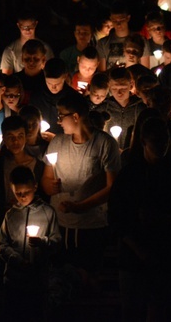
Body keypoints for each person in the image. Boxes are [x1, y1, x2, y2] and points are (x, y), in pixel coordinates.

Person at [108, 116, 171, 322]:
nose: (162, 145)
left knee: (160, 310)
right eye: (156, 140)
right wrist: (138, 249)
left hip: (166, 252)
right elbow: (116, 217)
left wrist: (166, 220)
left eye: (165, 140)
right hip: (133, 256)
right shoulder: (130, 175)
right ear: (144, 141)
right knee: (133, 311)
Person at [41, 94, 121, 293]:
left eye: (61, 116)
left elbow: (113, 187)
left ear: (75, 116)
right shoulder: (57, 143)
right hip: (60, 225)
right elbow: (46, 178)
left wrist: (80, 207)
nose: (58, 121)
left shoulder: (105, 144)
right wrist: (49, 187)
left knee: (88, 281)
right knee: (62, 279)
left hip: (92, 226)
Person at [0, 165, 61, 322]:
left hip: (39, 280)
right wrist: (17, 260)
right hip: (14, 279)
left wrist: (42, 242)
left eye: (26, 192)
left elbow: (57, 241)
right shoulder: (11, 215)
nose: (22, 196)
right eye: (18, 193)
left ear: (35, 186)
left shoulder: (48, 212)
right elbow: (2, 245)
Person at [0, 116, 45, 228]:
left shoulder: (38, 166)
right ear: (4, 139)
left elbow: (43, 197)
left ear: (26, 137)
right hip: (3, 223)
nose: (15, 141)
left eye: (20, 136)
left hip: (32, 221)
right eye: (10, 136)